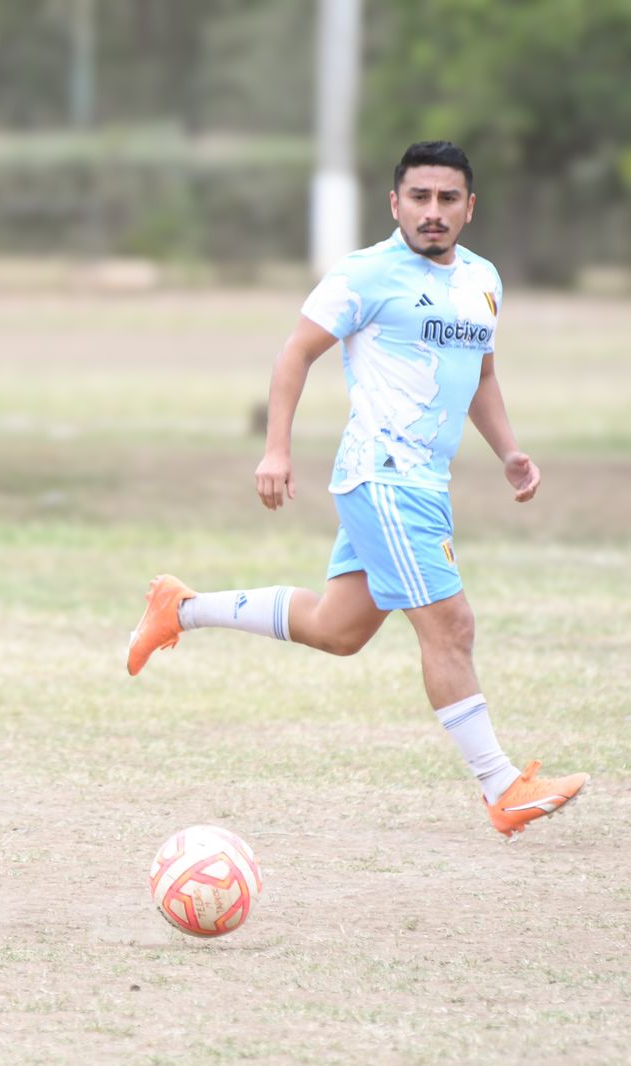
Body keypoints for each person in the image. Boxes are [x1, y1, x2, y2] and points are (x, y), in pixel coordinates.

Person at [126, 140, 588, 840]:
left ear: (470, 207)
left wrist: (509, 451)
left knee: (337, 630)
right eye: (420, 197)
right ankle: (503, 789)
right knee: (451, 625)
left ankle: (180, 609)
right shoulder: (365, 275)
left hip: (426, 484)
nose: (433, 212)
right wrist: (276, 448)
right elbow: (296, 352)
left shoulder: (484, 280)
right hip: (384, 478)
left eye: (448, 199)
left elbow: (481, 375)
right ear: (395, 202)